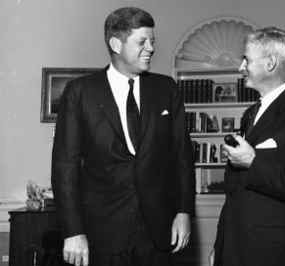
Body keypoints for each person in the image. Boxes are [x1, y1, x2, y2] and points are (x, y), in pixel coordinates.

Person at [51, 7, 194, 266]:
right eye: (142, 41)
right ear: (116, 44)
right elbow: (65, 166)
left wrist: (184, 212)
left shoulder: (166, 89)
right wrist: (73, 231)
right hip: (101, 233)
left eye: (153, 41)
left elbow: (182, 156)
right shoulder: (80, 92)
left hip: (158, 232)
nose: (151, 48)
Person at [210, 27, 285, 266]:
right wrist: (220, 245)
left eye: (246, 59)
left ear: (270, 63)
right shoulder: (250, 114)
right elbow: (234, 193)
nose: (240, 67)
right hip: (234, 250)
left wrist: (253, 162)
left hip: (274, 253)